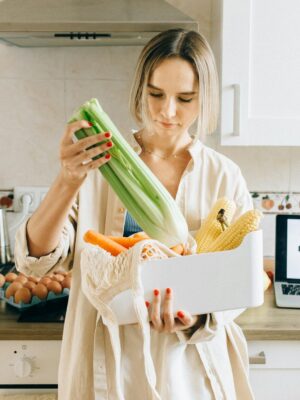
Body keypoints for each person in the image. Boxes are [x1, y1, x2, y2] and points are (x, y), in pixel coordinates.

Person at [14, 29, 255, 399]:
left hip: (188, 369)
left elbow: (238, 283)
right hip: (105, 367)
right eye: (156, 94)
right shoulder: (100, 165)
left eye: (185, 98)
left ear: (205, 97)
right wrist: (67, 179)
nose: (167, 111)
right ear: (140, 88)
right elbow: (35, 263)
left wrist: (195, 318)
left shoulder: (224, 176)